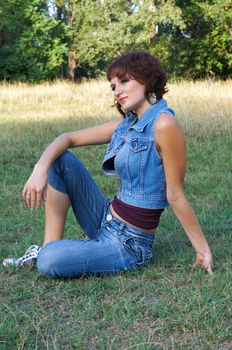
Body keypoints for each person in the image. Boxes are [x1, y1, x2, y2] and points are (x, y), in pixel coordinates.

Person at [3, 51, 213, 277]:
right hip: (105, 218)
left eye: (124, 81)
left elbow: (176, 195)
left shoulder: (164, 125)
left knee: (50, 260)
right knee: (60, 160)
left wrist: (203, 249)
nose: (117, 91)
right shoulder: (128, 124)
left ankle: (48, 253)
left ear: (147, 78)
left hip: (129, 244)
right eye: (113, 86)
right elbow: (68, 138)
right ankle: (47, 246)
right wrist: (40, 168)